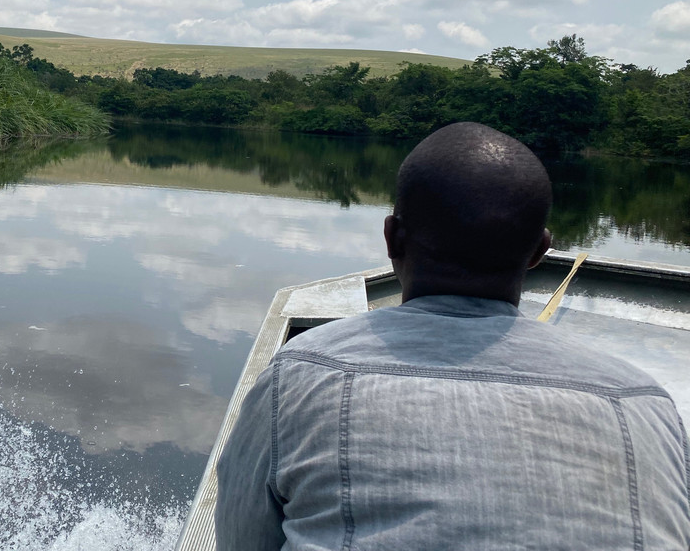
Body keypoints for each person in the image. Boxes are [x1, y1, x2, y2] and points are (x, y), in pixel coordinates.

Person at [215, 122, 690, 550]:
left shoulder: (300, 375)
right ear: (539, 252)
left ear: (392, 238)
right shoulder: (643, 402)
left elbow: (241, 540)